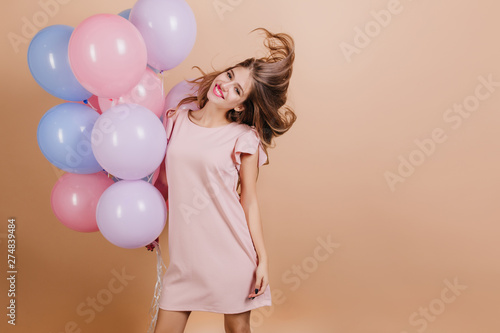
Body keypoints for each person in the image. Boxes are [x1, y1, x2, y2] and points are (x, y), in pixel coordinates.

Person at [152, 28, 296, 333]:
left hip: (231, 256)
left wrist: (262, 259)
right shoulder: (176, 119)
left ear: (240, 105)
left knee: (238, 331)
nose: (226, 86)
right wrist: (150, 222)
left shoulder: (245, 139)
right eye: (229, 75)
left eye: (237, 90)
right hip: (184, 262)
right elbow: (163, 178)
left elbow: (250, 200)